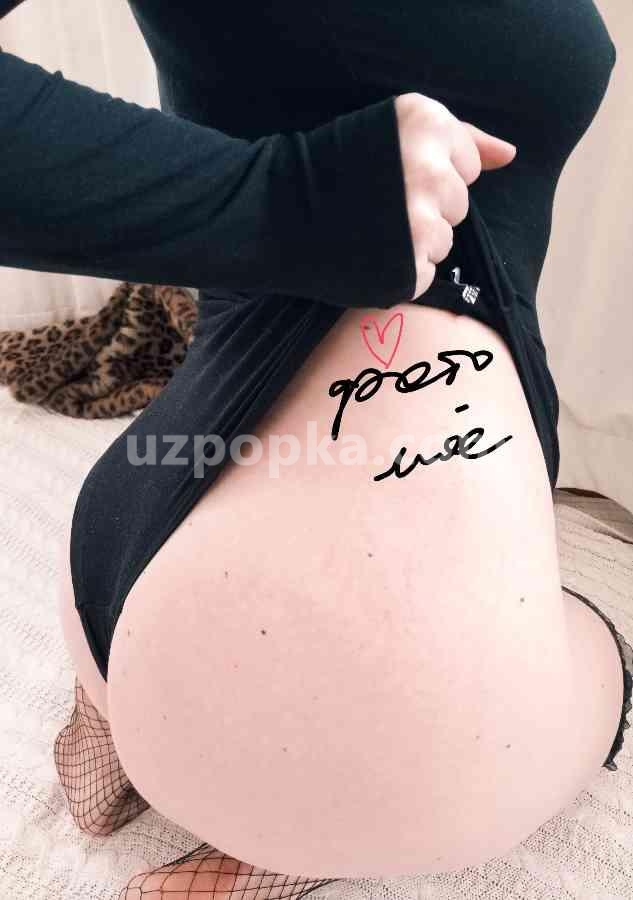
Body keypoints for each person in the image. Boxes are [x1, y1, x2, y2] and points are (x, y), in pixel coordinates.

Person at [1, 2, 631, 898]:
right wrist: (281, 201)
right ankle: (283, 833)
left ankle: (111, 724)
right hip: (351, 682)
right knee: (601, 652)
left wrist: (281, 203)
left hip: (122, 533)